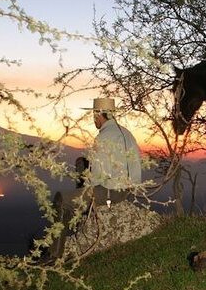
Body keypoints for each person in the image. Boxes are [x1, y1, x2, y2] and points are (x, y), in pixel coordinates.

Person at [54, 98, 143, 237]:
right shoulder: (126, 133)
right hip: (128, 189)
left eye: (94, 115)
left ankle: (58, 250)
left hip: (110, 192)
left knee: (61, 199)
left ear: (98, 114)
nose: (93, 119)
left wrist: (86, 189)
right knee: (82, 162)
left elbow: (98, 177)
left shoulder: (103, 137)